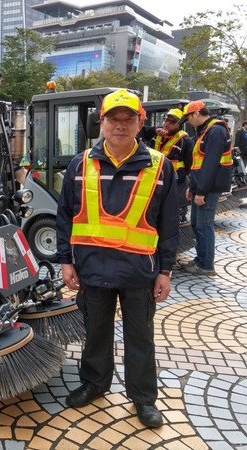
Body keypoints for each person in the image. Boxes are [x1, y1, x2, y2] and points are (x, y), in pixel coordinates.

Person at [56, 89, 179, 429]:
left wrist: (166, 270)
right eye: (114, 119)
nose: (120, 126)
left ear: (141, 122)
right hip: (91, 269)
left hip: (141, 271)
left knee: (140, 336)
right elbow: (65, 215)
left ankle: (143, 398)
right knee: (96, 332)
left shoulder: (160, 167)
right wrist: (65, 261)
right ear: (103, 123)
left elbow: (169, 223)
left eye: (128, 119)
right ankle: (95, 383)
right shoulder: (81, 165)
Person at [180, 101, 233, 276]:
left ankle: (206, 265)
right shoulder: (206, 130)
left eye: (187, 117)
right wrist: (193, 188)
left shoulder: (215, 131)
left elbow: (210, 165)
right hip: (202, 187)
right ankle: (200, 259)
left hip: (208, 188)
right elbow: (198, 164)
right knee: (196, 223)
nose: (187, 121)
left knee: (204, 225)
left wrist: (201, 191)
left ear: (196, 113)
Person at [149, 108, 194, 222]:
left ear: (179, 124)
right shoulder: (156, 136)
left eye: (171, 121)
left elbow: (190, 163)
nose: (167, 123)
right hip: (156, 177)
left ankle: (181, 220)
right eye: (166, 120)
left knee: (177, 205)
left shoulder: (185, 141)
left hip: (177, 180)